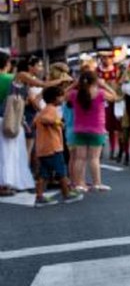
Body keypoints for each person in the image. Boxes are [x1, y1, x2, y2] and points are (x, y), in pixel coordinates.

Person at [32, 85, 83, 206]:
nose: (63, 98)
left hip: (43, 148)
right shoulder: (51, 109)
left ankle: (39, 197)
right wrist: (58, 122)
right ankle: (66, 194)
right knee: (61, 172)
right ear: (55, 98)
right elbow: (44, 119)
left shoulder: (45, 109)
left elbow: (35, 122)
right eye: (61, 96)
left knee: (44, 174)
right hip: (53, 147)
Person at [69, 70, 118, 191]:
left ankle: (78, 184)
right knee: (94, 158)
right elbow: (115, 97)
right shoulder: (100, 93)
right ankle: (97, 183)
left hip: (79, 129)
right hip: (97, 129)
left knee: (80, 158)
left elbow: (61, 94)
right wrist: (104, 85)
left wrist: (73, 85)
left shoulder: (74, 94)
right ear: (95, 81)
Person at [0, 51, 33, 196]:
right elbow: (23, 100)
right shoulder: (11, 79)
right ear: (7, 64)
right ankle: (6, 184)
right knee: (8, 154)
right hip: (8, 120)